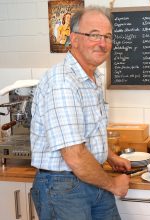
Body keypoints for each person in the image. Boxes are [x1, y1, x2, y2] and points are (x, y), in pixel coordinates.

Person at [30, 6, 131, 220]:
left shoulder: (92, 78)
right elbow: (74, 156)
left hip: (92, 177)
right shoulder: (63, 82)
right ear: (74, 39)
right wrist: (114, 185)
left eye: (107, 36)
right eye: (94, 35)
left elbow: (87, 131)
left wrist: (109, 156)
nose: (102, 43)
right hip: (62, 189)